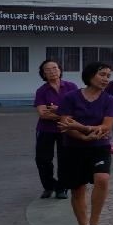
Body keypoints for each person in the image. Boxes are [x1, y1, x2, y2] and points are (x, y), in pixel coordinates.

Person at [57, 62, 113, 225]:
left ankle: (95, 223)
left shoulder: (109, 100)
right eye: (102, 74)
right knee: (78, 188)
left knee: (102, 179)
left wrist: (82, 127)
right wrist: (84, 136)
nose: (106, 79)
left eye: (108, 76)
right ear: (90, 75)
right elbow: (65, 125)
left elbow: (106, 127)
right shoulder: (70, 97)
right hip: (73, 147)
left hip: (99, 146)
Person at [33, 59, 78, 200]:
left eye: (55, 68)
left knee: (65, 159)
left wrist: (57, 110)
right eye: (48, 69)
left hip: (66, 129)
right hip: (45, 130)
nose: (52, 71)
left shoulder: (71, 87)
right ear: (43, 74)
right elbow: (43, 114)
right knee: (43, 159)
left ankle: (62, 188)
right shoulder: (42, 91)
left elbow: (77, 110)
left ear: (60, 70)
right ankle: (49, 186)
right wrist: (65, 113)